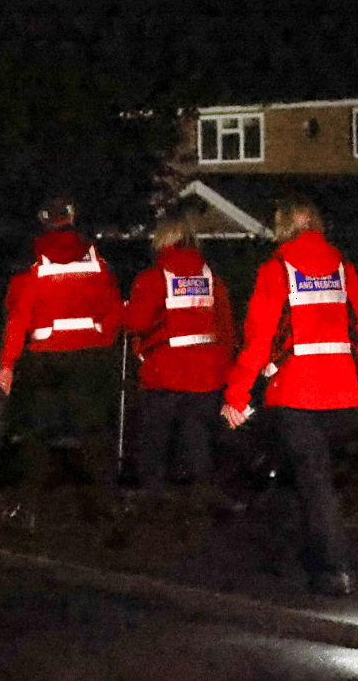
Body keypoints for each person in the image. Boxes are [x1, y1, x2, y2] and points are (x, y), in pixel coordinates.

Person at [222, 195, 358, 596]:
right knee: (304, 475)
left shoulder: (277, 269)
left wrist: (236, 396)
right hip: (344, 394)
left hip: (297, 392)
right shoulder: (343, 268)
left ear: (283, 226)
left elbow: (258, 340)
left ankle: (333, 569)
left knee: (311, 479)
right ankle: (293, 558)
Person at [0, 193, 124, 531]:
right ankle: (107, 510)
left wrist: (7, 364)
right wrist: (100, 344)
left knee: (36, 437)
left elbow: (18, 318)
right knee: (94, 436)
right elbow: (113, 313)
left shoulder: (34, 266)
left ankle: (28, 510)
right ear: (73, 217)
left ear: (42, 220)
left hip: (45, 361)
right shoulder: (98, 263)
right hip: (89, 359)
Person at [121, 213, 237, 513]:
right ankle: (205, 496)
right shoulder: (212, 278)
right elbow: (226, 329)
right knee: (198, 439)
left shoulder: (154, 278)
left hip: (165, 374)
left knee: (155, 439)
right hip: (207, 376)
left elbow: (136, 322)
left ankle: (153, 498)